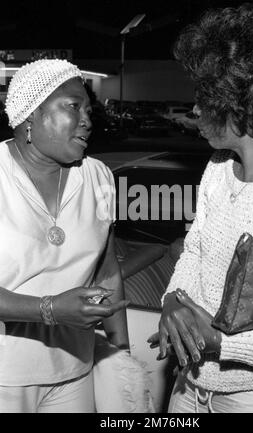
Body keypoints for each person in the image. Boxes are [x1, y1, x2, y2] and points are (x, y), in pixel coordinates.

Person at [148, 4, 253, 413]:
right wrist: (171, 300)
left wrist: (222, 342)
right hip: (189, 386)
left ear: (242, 106)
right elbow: (194, 247)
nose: (194, 109)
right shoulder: (217, 169)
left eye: (204, 97)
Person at [0, 58, 130, 412]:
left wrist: (121, 352)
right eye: (73, 107)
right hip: (5, 377)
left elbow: (107, 271)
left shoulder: (98, 177)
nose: (87, 120)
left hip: (75, 370)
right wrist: (50, 309)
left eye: (89, 109)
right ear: (32, 114)